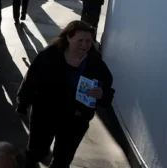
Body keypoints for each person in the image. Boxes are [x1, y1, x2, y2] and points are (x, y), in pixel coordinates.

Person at [16, 21, 115, 168]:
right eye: (80, 40)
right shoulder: (49, 55)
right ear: (68, 38)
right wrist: (22, 103)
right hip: (45, 115)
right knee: (36, 152)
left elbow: (107, 90)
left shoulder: (95, 63)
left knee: (63, 159)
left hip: (76, 120)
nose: (85, 44)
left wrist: (102, 94)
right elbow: (31, 79)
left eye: (88, 41)